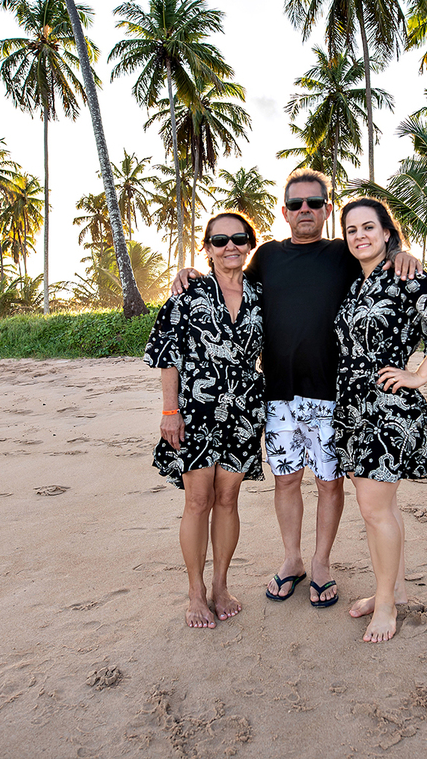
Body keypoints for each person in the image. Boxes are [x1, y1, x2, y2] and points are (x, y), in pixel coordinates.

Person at [173, 169, 421, 609]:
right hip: (278, 395)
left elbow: (380, 252)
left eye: (313, 203)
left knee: (329, 484)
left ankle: (321, 563)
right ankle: (292, 560)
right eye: (295, 204)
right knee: (286, 483)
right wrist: (188, 272)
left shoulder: (344, 253)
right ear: (284, 212)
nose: (304, 210)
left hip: (333, 395)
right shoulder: (265, 256)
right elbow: (228, 272)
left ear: (327, 208)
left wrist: (405, 254)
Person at [334, 197, 427, 642]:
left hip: (388, 409)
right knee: (382, 508)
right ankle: (392, 588)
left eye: (368, 227)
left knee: (374, 510)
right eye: (352, 230)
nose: (360, 236)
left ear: (387, 232)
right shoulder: (356, 283)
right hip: (352, 408)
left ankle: (387, 603)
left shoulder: (406, 275)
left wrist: (418, 376)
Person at [144, 212, 265, 628]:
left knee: (228, 499)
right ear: (207, 248)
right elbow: (167, 355)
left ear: (250, 243)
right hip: (194, 409)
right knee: (197, 500)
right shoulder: (188, 293)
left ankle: (220, 585)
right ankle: (194, 592)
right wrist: (169, 410)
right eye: (219, 240)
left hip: (245, 409)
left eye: (238, 238)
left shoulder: (262, 293)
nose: (229, 246)